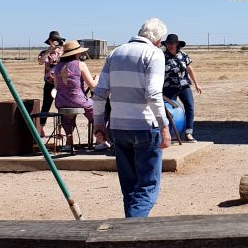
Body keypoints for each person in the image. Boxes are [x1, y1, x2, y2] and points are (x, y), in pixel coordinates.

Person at [92, 18, 171, 218]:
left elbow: (99, 93)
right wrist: (164, 126)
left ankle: (129, 228)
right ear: (158, 39)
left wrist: (99, 123)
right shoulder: (154, 54)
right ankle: (132, 229)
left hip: (118, 127)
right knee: (147, 186)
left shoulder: (115, 53)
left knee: (129, 187)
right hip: (145, 126)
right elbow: (153, 94)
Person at [52, 40, 100, 154]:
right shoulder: (80, 64)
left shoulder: (57, 66)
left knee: (67, 117)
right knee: (97, 113)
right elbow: (93, 86)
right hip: (78, 100)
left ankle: (69, 142)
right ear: (77, 53)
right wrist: (97, 78)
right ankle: (100, 139)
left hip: (61, 101)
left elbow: (56, 86)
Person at [162, 33, 202, 142]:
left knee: (189, 107)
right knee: (167, 110)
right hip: (168, 87)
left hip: (184, 85)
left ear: (177, 44)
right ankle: (168, 133)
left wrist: (196, 84)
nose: (170, 45)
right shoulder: (162, 56)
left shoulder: (183, 55)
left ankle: (188, 133)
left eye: (172, 43)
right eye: (168, 43)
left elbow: (189, 69)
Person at [36, 31, 64, 133]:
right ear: (49, 41)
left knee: (62, 107)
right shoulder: (44, 53)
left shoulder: (63, 53)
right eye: (53, 40)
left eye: (56, 40)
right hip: (49, 83)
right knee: (46, 106)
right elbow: (40, 61)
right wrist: (49, 50)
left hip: (61, 84)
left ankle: (60, 130)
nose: (55, 42)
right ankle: (41, 128)